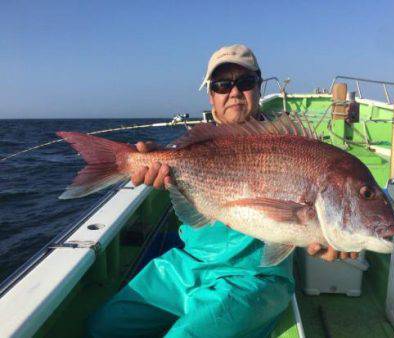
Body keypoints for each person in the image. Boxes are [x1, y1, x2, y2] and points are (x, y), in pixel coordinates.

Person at [88, 44, 356, 338]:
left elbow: (310, 223)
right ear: (211, 96)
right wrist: (151, 161)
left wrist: (328, 237)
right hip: (189, 265)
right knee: (105, 327)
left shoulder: (289, 143)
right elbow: (175, 171)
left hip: (254, 279)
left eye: (245, 82)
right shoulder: (197, 146)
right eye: (222, 85)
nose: (234, 91)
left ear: (258, 86)